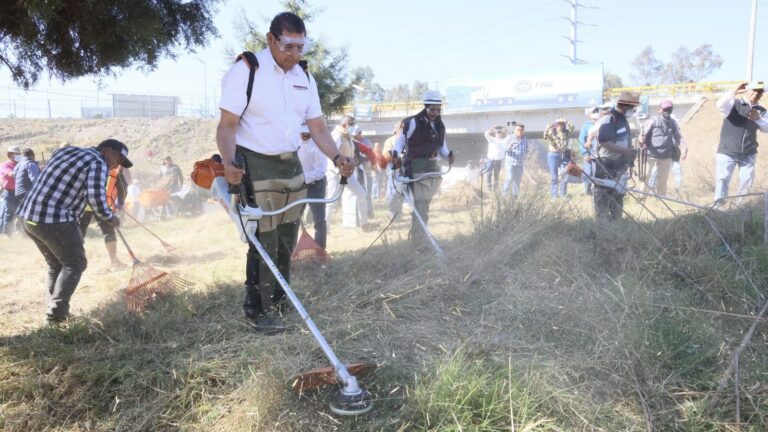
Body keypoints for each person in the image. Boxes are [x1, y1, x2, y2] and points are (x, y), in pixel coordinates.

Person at [216, 11, 354, 333]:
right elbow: (226, 126)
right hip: (254, 162)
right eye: (288, 46)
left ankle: (281, 300)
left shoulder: (304, 77)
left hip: (291, 163)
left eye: (300, 48)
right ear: (271, 40)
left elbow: (317, 127)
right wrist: (229, 162)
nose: (294, 54)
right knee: (263, 238)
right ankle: (257, 310)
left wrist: (336, 157)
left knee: (287, 237)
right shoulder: (247, 70)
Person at [17, 139, 130, 323]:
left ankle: (54, 310)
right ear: (107, 150)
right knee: (76, 262)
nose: (117, 165)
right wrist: (110, 217)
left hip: (28, 216)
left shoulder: (66, 152)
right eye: (118, 158)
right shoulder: (97, 162)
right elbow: (96, 198)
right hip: (52, 218)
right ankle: (56, 316)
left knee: (57, 265)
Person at [393, 90, 455, 242]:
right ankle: (418, 237)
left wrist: (448, 156)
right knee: (421, 204)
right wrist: (395, 154)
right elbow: (401, 141)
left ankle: (419, 234)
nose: (435, 112)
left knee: (425, 204)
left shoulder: (440, 125)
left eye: (438, 109)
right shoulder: (411, 122)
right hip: (416, 166)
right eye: (432, 109)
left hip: (432, 167)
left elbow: (442, 147)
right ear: (425, 107)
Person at [713, 81, 768, 203]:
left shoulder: (762, 111)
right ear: (747, 91)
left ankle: (740, 208)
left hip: (749, 152)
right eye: (754, 90)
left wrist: (758, 119)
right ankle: (718, 207)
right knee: (722, 179)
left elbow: (766, 129)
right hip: (727, 150)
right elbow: (719, 104)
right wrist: (734, 92)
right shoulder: (734, 103)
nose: (756, 93)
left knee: (747, 181)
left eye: (759, 92)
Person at [593, 91, 640, 220]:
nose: (634, 110)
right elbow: (604, 141)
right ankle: (601, 226)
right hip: (606, 165)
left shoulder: (623, 119)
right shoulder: (609, 118)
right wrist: (625, 151)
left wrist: (630, 155)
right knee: (603, 197)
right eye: (632, 107)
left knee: (618, 197)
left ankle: (617, 224)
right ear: (624, 106)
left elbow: (623, 140)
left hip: (620, 166)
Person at [326, 116, 372, 230]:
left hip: (347, 173)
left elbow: (350, 154)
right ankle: (324, 227)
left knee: (361, 194)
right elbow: (330, 155)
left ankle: (364, 223)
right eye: (352, 124)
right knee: (332, 199)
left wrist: (353, 160)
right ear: (345, 124)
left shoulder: (348, 137)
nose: (354, 126)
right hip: (335, 173)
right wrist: (338, 169)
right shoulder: (336, 136)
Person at [78, 164, 128, 270]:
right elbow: (123, 187)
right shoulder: (115, 168)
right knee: (108, 231)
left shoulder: (88, 165)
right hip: (102, 205)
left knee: (78, 234)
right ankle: (114, 261)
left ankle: (74, 261)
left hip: (85, 204)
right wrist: (121, 202)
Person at [639, 100, 684, 197]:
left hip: (666, 156)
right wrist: (642, 142)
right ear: (660, 109)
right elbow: (642, 136)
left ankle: (661, 200)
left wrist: (684, 148)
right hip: (650, 155)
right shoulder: (652, 121)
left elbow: (678, 136)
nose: (667, 111)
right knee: (645, 177)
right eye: (665, 109)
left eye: (669, 109)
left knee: (662, 179)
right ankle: (641, 198)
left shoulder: (673, 123)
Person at [297, 123, 328, 249]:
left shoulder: (318, 146)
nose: (304, 135)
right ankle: (291, 249)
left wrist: (303, 178)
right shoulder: (295, 143)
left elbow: (320, 171)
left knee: (319, 220)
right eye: (302, 132)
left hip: (316, 185)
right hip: (299, 185)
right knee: (293, 220)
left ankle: (320, 249)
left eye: (307, 133)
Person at [543, 118, 575, 199]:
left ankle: (563, 195)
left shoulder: (567, 132)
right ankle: (554, 197)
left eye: (562, 123)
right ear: (556, 124)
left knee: (564, 175)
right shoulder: (552, 131)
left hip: (564, 155)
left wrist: (566, 121)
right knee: (554, 177)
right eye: (558, 123)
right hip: (553, 155)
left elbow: (573, 127)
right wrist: (548, 127)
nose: (560, 125)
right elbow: (545, 137)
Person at [578, 107, 603, 195]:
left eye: (597, 111)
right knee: (588, 173)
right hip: (589, 155)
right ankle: (587, 191)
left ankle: (597, 191)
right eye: (594, 112)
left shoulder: (602, 123)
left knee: (598, 174)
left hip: (600, 155)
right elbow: (581, 140)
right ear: (590, 115)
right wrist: (585, 153)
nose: (596, 113)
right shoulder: (587, 125)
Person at [383, 121, 405, 219]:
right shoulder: (390, 141)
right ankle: (392, 214)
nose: (403, 129)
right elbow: (386, 155)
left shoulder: (406, 140)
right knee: (393, 192)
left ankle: (398, 214)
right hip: (394, 169)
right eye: (401, 127)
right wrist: (395, 158)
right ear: (396, 129)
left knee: (401, 192)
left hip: (404, 169)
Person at [502, 124, 529, 197]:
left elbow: (526, 150)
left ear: (524, 131)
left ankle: (515, 197)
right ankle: (504, 196)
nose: (520, 131)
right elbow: (503, 149)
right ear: (515, 130)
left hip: (520, 164)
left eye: (521, 130)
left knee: (517, 181)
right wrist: (509, 147)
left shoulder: (525, 139)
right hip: (510, 163)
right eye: (518, 130)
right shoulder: (509, 138)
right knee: (509, 178)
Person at [0, 145, 21, 235]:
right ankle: (6, 233)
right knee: (9, 213)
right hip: (9, 192)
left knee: (21, 213)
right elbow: (11, 174)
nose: (18, 155)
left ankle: (20, 231)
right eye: (16, 154)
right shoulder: (5, 165)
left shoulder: (19, 164)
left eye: (19, 153)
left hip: (19, 192)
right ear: (10, 155)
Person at [483, 126, 507, 192]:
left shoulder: (504, 140)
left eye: (500, 133)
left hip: (498, 160)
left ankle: (495, 189)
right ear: (495, 133)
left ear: (501, 134)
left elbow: (510, 138)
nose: (499, 134)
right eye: (497, 133)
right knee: (489, 173)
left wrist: (505, 131)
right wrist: (491, 129)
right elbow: (486, 134)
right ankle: (489, 187)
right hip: (490, 158)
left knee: (496, 175)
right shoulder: (491, 139)